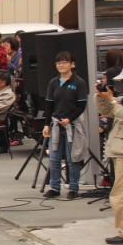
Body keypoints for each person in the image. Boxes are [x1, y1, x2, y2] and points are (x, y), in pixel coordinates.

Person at [42, 51, 87, 199]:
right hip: (56, 124)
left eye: (65, 62)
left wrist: (69, 119)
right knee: (54, 157)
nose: (61, 65)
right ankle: (54, 187)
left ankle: (73, 188)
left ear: (72, 64)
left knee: (72, 157)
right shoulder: (53, 82)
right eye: (58, 62)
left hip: (72, 124)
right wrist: (46, 124)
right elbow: (48, 104)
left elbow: (81, 105)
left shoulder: (78, 82)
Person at [97, 83, 123, 245]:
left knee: (119, 193)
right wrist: (101, 98)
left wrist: (112, 100)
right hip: (118, 149)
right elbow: (106, 112)